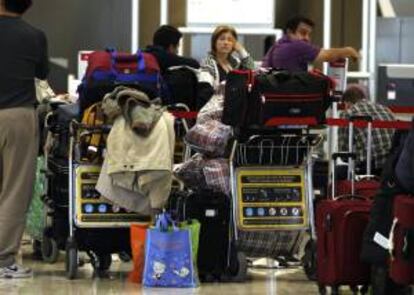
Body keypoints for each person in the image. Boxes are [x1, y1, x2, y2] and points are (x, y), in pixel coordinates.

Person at [0, 0, 49, 278]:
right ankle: (3, 260)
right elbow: (42, 74)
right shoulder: (34, 36)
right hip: (18, 116)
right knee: (14, 190)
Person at [262, 15, 360, 71]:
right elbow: (328, 55)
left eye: (309, 34)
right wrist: (349, 50)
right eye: (303, 33)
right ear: (289, 32)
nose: (307, 38)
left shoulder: (276, 46)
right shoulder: (296, 46)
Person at [338, 83, 396, 176]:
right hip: (393, 164)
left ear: (347, 103)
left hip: (371, 165)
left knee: (337, 172)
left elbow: (344, 153)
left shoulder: (348, 113)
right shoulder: (385, 109)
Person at [201, 25, 255, 90]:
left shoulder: (235, 62)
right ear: (214, 42)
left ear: (234, 44)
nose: (226, 43)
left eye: (230, 40)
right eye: (222, 39)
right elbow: (206, 90)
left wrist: (241, 50)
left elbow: (251, 72)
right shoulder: (208, 64)